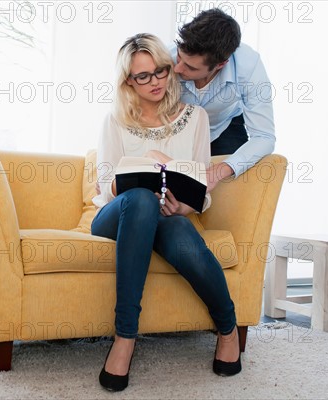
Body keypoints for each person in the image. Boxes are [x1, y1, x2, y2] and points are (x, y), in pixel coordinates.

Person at [91, 33, 241, 393]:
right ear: (128, 80)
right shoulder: (115, 120)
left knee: (178, 229)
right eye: (142, 76)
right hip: (117, 216)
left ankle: (228, 327)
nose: (155, 81)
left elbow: (200, 186)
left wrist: (185, 205)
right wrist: (145, 164)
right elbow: (103, 186)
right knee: (142, 200)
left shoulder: (195, 118)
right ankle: (125, 336)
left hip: (169, 216)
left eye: (159, 71)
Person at [171, 8, 275, 192]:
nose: (177, 69)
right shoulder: (165, 58)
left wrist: (220, 171)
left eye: (190, 67)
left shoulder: (249, 66)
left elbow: (264, 137)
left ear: (220, 64)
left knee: (230, 192)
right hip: (175, 129)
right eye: (179, 57)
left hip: (224, 127)